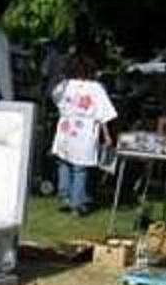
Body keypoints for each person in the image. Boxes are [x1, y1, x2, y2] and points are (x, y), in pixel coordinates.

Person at [50, 53, 117, 216]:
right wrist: (107, 135)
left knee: (63, 162)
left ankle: (65, 194)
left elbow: (54, 98)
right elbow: (103, 114)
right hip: (84, 131)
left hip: (66, 128)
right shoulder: (96, 88)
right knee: (80, 168)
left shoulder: (64, 85)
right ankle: (76, 204)